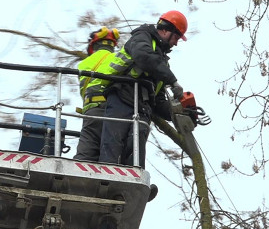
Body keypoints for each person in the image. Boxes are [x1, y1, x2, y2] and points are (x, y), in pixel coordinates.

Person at [97, 10, 188, 168]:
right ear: (166, 30)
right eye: (176, 37)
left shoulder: (162, 64)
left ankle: (132, 184)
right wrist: (173, 81)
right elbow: (143, 56)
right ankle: (106, 179)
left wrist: (182, 111)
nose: (176, 43)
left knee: (135, 153)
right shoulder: (142, 37)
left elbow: (159, 102)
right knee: (113, 145)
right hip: (122, 98)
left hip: (142, 109)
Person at [74, 26, 120, 161]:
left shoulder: (84, 63)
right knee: (112, 156)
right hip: (112, 111)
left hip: (90, 112)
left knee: (85, 154)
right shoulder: (118, 58)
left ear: (93, 45)